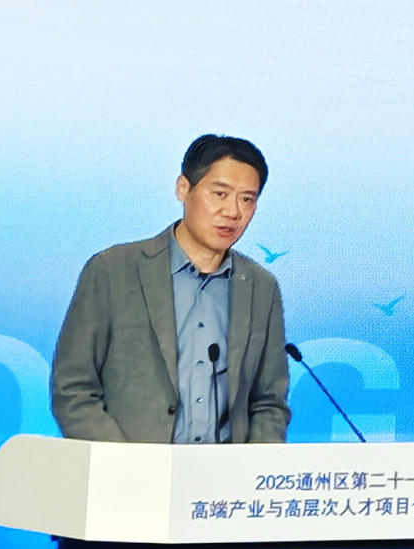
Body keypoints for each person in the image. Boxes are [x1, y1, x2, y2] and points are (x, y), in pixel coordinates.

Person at [49, 134, 292, 444]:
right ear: (183, 188)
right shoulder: (113, 270)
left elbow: (269, 401)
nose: (233, 211)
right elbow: (72, 388)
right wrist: (122, 462)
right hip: (130, 468)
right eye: (220, 193)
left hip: (225, 472)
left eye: (247, 199)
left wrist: (252, 465)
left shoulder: (261, 287)